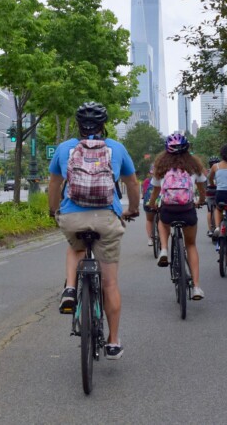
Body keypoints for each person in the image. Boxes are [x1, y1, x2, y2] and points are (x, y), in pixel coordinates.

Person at [47, 102, 139, 360]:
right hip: (107, 218)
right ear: (104, 124)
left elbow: (54, 184)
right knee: (110, 283)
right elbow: (132, 183)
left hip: (72, 218)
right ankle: (112, 341)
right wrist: (132, 209)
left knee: (75, 246)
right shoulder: (116, 148)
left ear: (78, 124)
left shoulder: (65, 149)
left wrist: (54, 210)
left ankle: (70, 289)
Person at [147, 133, 208, 300]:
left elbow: (155, 192)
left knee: (162, 221)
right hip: (187, 210)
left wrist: (152, 204)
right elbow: (202, 189)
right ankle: (196, 287)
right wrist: (200, 200)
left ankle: (164, 249)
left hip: (169, 209)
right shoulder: (194, 166)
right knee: (191, 245)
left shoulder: (161, 168)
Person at [141, 164, 156, 247]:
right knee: (162, 220)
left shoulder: (147, 181)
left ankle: (150, 239)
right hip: (159, 203)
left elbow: (144, 192)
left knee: (149, 220)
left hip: (148, 203)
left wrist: (143, 196)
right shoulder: (163, 179)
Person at [205, 155, 220, 239]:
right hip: (219, 192)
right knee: (220, 208)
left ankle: (210, 229)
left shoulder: (207, 172)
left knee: (210, 210)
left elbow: (204, 184)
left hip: (210, 193)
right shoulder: (220, 171)